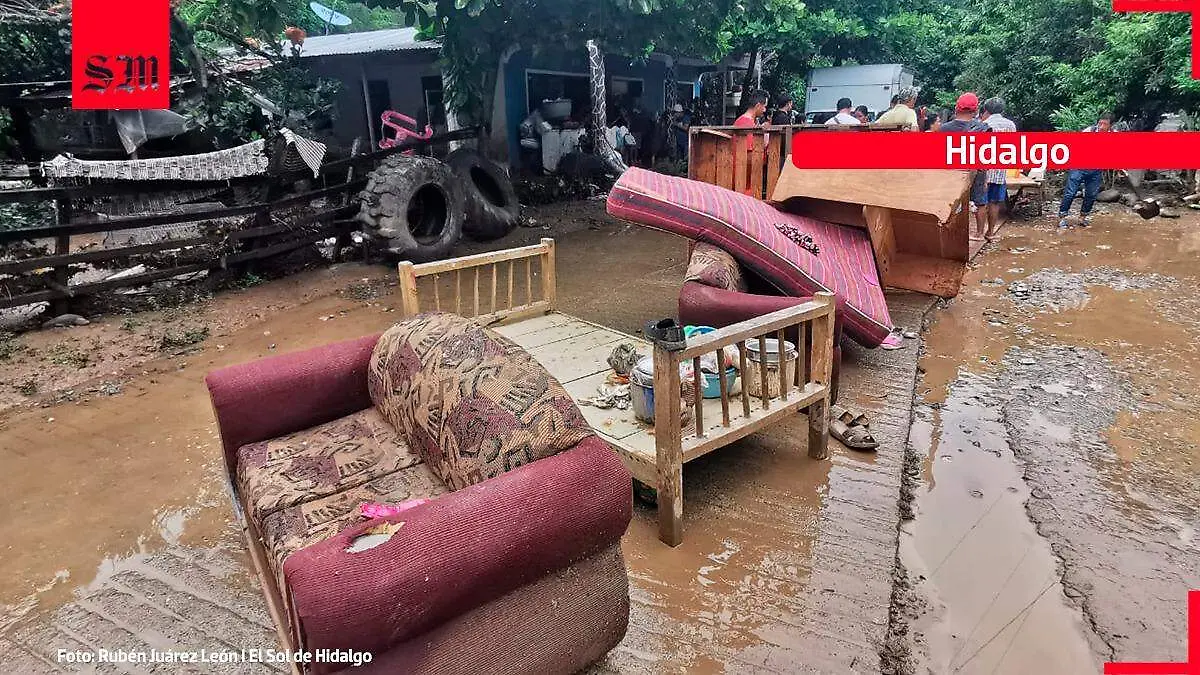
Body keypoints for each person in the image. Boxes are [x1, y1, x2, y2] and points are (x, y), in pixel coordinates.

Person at [940, 93, 992, 240]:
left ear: (957, 108)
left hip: (953, 171)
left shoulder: (945, 128)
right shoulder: (984, 128)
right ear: (976, 110)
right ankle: (979, 233)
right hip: (977, 169)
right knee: (980, 201)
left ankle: (950, 232)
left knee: (952, 201)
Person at [1058, 112, 1113, 228]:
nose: (1102, 126)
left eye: (1105, 124)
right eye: (1100, 123)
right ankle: (1062, 217)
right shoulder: (1089, 131)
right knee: (1070, 192)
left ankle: (1082, 217)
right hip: (1079, 166)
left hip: (1095, 169)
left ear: (1110, 126)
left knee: (1091, 194)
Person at [978, 96, 1017, 240]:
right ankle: (990, 232)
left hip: (984, 170)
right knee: (994, 202)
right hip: (1000, 170)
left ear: (986, 110)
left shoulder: (984, 124)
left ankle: (979, 233)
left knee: (981, 202)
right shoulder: (1011, 125)